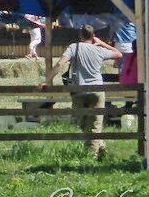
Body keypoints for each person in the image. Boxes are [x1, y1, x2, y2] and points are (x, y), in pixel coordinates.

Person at [44, 24, 122, 158]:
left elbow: (60, 64)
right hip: (97, 91)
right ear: (93, 37)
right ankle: (101, 149)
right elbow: (119, 54)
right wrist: (102, 43)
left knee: (81, 122)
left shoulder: (74, 47)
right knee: (95, 124)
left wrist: (47, 81)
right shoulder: (99, 50)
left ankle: (91, 156)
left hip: (79, 91)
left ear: (80, 35)